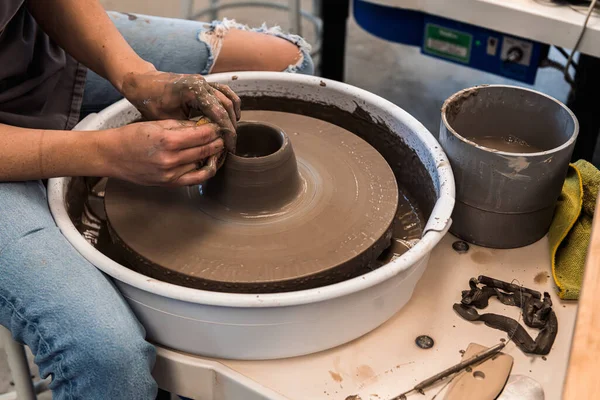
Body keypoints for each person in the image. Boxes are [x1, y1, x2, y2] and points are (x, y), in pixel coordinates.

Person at [0, 0, 313, 398]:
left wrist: (137, 77)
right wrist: (105, 152)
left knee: (284, 64)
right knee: (106, 356)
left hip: (26, 55)